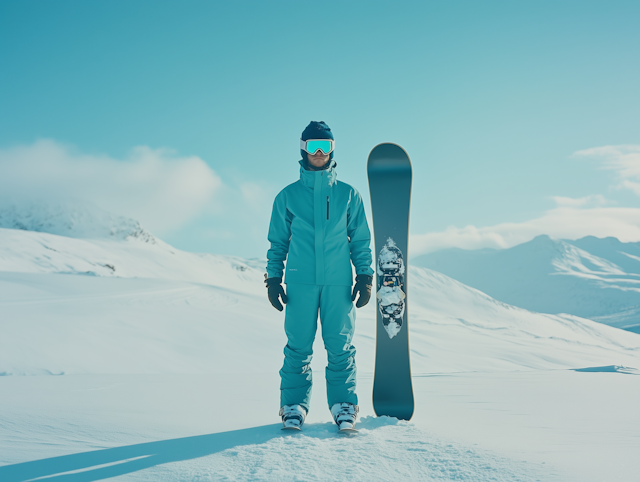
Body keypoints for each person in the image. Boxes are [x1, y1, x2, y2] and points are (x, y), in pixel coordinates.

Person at [265, 120, 374, 431]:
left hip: (338, 282)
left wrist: (364, 275)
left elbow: (361, 239)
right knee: (298, 346)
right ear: (303, 150)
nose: (318, 153)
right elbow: (278, 242)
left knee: (340, 346)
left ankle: (343, 406)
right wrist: (273, 278)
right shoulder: (286, 197)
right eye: (313, 146)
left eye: (324, 147)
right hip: (300, 281)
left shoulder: (348, 195)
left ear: (332, 150)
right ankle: (293, 407)